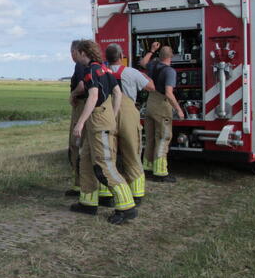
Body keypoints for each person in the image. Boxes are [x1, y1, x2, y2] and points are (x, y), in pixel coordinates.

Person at [71, 40, 138, 225]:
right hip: (104, 118)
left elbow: (93, 96)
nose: (72, 56)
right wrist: (113, 116)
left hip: (97, 121)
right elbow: (117, 93)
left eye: (74, 52)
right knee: (85, 160)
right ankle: (88, 202)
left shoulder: (91, 71)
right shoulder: (105, 69)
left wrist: (80, 123)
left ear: (83, 52)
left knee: (104, 166)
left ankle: (126, 207)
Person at [106, 44, 155, 204]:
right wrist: (144, 75)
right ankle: (137, 193)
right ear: (121, 56)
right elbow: (151, 87)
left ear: (107, 57)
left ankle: (107, 193)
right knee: (132, 153)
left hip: (107, 115)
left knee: (108, 155)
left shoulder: (101, 72)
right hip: (128, 114)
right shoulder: (132, 72)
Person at [139, 42, 185, 183]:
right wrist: (178, 109)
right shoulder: (170, 71)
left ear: (159, 56)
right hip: (162, 106)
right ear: (171, 56)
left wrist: (151, 50)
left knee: (151, 138)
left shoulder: (153, 65)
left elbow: (142, 63)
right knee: (163, 138)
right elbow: (168, 93)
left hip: (150, 104)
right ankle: (160, 172)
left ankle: (147, 168)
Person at [66, 39, 87, 197]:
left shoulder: (79, 65)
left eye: (71, 52)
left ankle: (79, 185)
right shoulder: (93, 65)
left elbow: (81, 85)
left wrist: (72, 95)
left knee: (75, 145)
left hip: (80, 107)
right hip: (89, 108)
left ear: (75, 52)